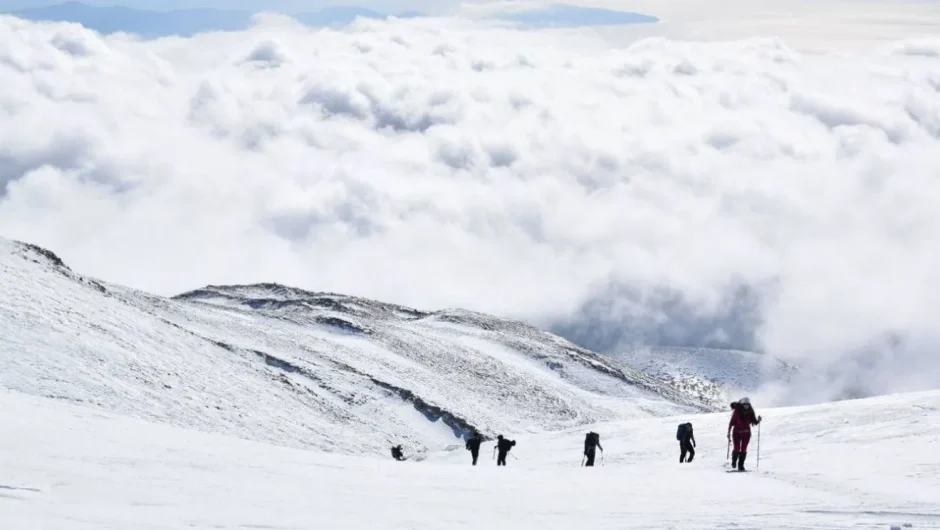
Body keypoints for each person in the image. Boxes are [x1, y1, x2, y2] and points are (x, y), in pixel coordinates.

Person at [728, 397, 762, 471]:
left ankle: (741, 465)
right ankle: (734, 461)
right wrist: (728, 433)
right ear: (742, 405)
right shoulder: (737, 412)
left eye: (747, 404)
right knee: (737, 448)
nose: (746, 406)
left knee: (744, 449)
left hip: (746, 433)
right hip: (736, 433)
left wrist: (758, 420)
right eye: (745, 404)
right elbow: (731, 423)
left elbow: (754, 422)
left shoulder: (750, 412)